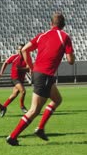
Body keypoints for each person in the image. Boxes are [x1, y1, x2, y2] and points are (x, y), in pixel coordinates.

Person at [6, 12, 75, 146]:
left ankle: (41, 128)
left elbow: (24, 49)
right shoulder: (65, 36)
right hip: (45, 75)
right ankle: (12, 137)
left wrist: (31, 67)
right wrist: (71, 55)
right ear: (63, 25)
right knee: (34, 110)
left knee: (57, 99)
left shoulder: (42, 35)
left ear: (51, 24)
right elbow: (70, 60)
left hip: (39, 73)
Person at [0, 44, 30, 114]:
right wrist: (1, 72)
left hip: (21, 80)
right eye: (19, 49)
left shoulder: (27, 58)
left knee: (14, 94)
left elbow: (28, 69)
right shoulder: (14, 57)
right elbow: (5, 62)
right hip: (14, 78)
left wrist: (20, 69)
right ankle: (22, 106)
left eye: (21, 49)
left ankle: (3, 107)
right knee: (23, 91)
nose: (20, 51)